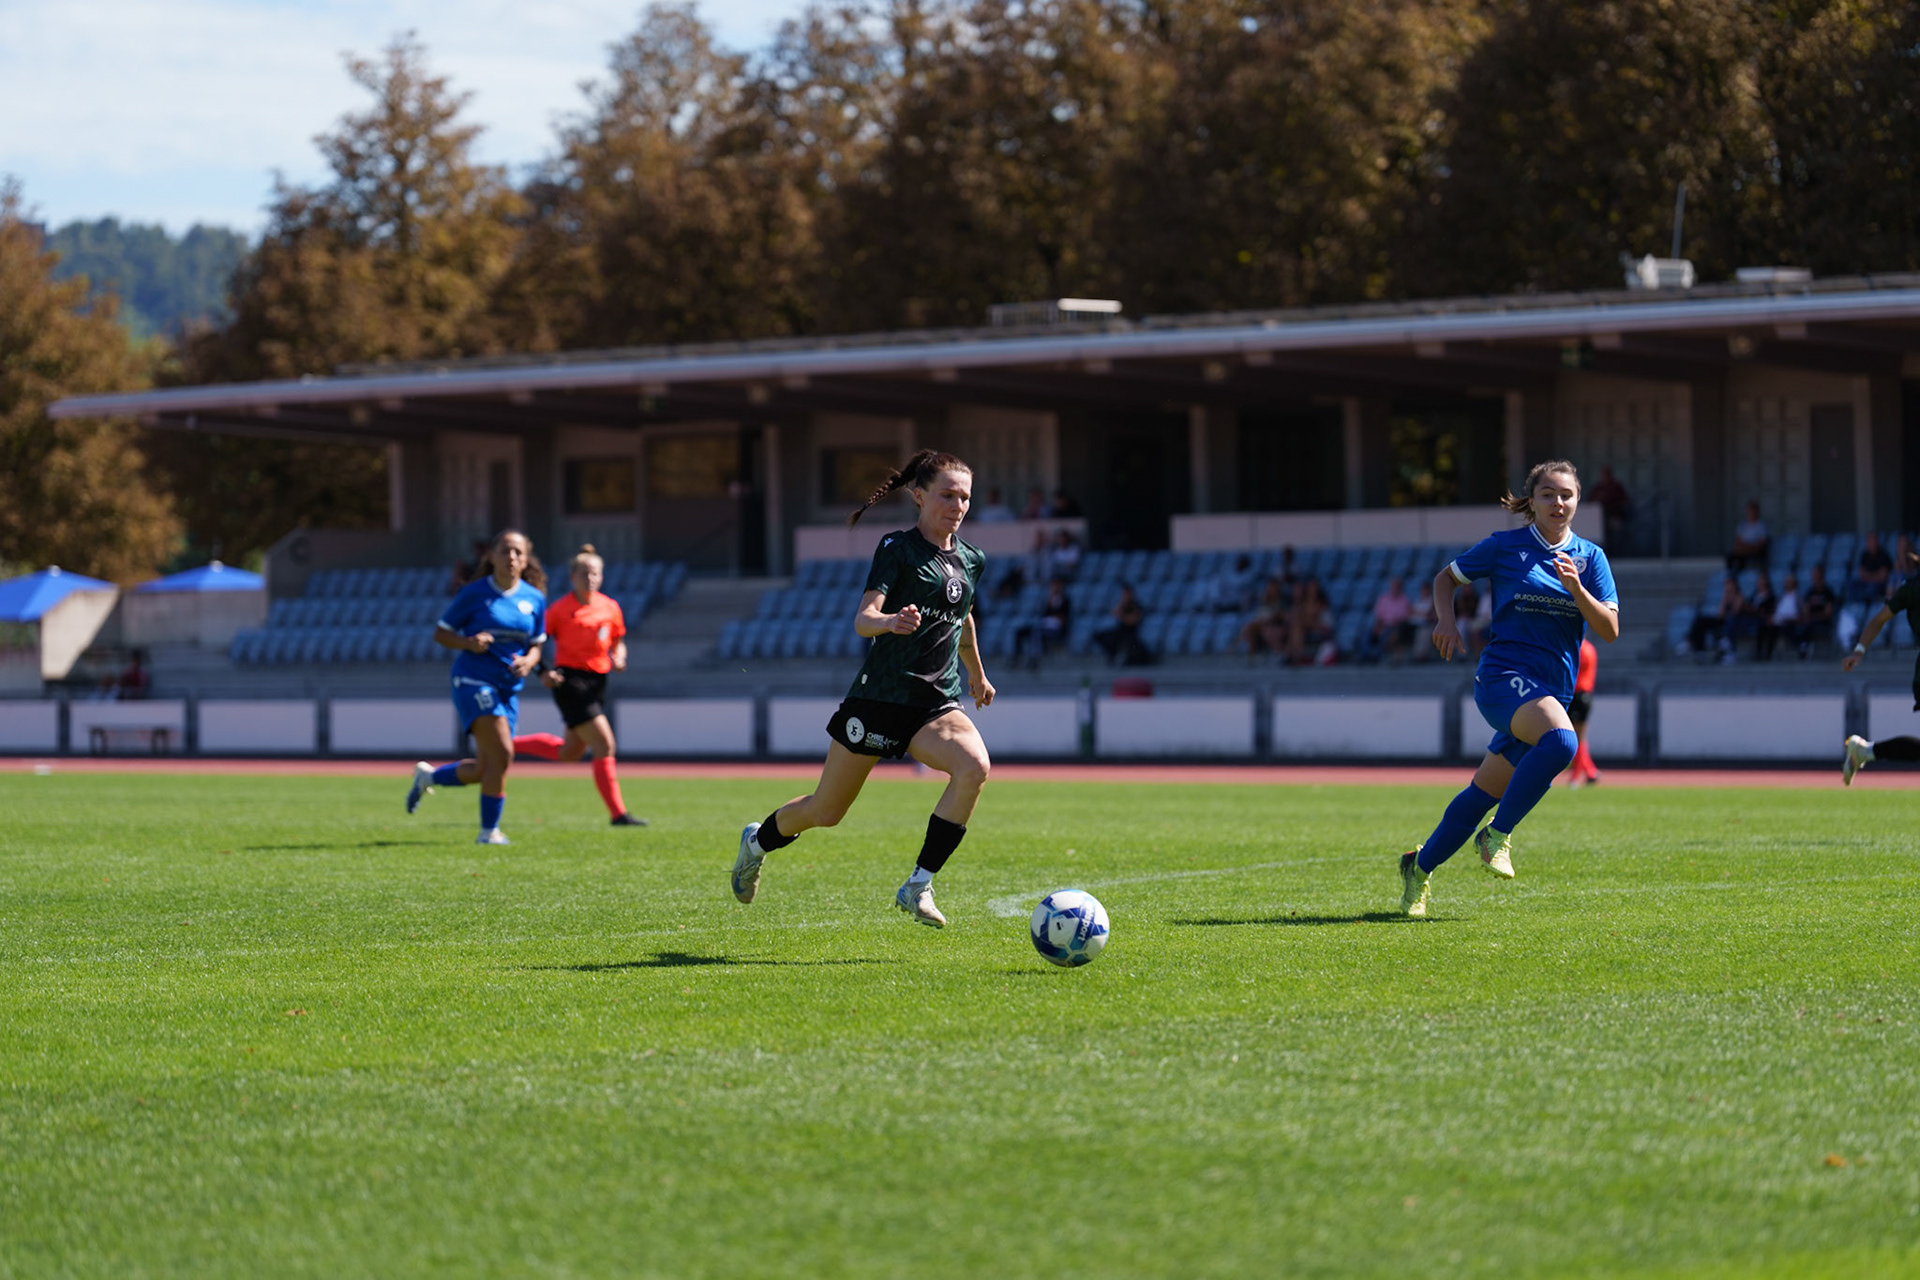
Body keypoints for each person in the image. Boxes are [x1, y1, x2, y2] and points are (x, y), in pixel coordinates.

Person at [730, 449, 994, 929]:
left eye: (965, 498)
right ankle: (756, 842)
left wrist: (976, 673)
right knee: (826, 811)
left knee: (974, 766)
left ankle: (918, 885)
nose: (957, 505)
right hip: (879, 700)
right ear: (919, 496)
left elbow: (964, 616)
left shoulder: (972, 559)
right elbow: (862, 620)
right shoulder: (897, 549)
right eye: (947, 495)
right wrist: (891, 621)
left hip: (935, 703)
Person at [1397, 460, 1619, 917]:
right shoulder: (1504, 547)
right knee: (1561, 742)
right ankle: (1497, 835)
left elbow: (1611, 629)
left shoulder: (1591, 559)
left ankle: (1418, 869)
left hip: (1549, 692)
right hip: (1501, 678)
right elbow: (1446, 579)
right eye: (1548, 494)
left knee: (1483, 792)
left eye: (1567, 495)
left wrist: (1577, 590)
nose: (1558, 503)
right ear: (1531, 502)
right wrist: (1446, 619)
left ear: (1578, 501)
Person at [405, 529, 548, 844]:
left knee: (486, 767)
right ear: (492, 556)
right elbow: (441, 634)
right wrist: (469, 643)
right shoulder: (473, 593)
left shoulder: (534, 598)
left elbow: (537, 644)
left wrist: (529, 660)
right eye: (506, 551)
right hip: (473, 680)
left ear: (526, 559)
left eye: (518, 553)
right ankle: (489, 832)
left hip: (508, 688)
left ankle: (428, 776)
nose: (511, 557)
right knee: (503, 753)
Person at [504, 544, 646, 827]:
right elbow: (533, 642)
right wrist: (542, 671)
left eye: (595, 573)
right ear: (572, 577)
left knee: (570, 753)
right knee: (605, 744)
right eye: (584, 573)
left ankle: (506, 744)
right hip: (569, 680)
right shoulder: (559, 610)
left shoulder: (610, 607)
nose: (590, 578)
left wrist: (619, 656)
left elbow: (617, 640)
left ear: (601, 577)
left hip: (597, 681)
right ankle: (618, 814)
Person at [1841, 552, 1920, 783]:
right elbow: (1878, 620)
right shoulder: (1913, 588)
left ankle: (1865, 751)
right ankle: (1865, 751)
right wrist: (1859, 651)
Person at [1564, 636, 1601, 787]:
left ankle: (1575, 775)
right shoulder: (1590, 648)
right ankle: (1591, 772)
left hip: (1578, 694)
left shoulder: (1579, 650)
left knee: (1576, 739)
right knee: (1579, 738)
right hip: (1585, 695)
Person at [1014, 577, 1072, 669]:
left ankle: (1035, 657)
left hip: (1056, 627)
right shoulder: (1049, 600)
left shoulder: (1065, 600)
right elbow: (1044, 614)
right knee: (1023, 631)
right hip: (1045, 624)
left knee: (1038, 632)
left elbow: (1064, 617)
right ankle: (1017, 658)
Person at [1094, 582, 1151, 666]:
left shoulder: (1136, 606)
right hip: (1120, 631)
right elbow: (1113, 613)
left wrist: (1122, 616)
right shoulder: (1123, 605)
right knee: (1101, 636)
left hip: (1130, 634)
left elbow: (1133, 620)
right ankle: (1112, 656)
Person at [1362, 577, 1414, 664]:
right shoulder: (1384, 598)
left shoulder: (1404, 600)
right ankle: (1365, 656)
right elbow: (1379, 615)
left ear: (1400, 587)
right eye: (1393, 586)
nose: (1394, 588)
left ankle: (1377, 656)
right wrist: (1379, 626)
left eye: (1396, 586)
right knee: (1368, 634)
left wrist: (1389, 626)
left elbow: (1403, 618)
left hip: (1395, 626)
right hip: (1382, 624)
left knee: (1386, 635)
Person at [1237, 576, 1290, 658]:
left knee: (1263, 630)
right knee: (1250, 629)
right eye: (1270, 587)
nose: (1271, 589)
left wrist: (1273, 618)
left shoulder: (1282, 603)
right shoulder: (1264, 603)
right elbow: (1260, 617)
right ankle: (1250, 656)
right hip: (1263, 625)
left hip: (1276, 626)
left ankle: (1281, 653)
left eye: (1274, 587)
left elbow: (1283, 617)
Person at [1762, 572, 1802, 661]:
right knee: (1765, 626)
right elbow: (1777, 611)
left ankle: (1801, 648)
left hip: (1791, 621)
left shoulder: (1798, 597)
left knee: (1785, 627)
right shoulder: (1782, 597)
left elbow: (1798, 613)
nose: (1787, 584)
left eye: (1789, 582)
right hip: (1779, 621)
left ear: (1794, 583)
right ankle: (1765, 654)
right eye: (1786, 582)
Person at [1592, 466, 1630, 551]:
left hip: (1614, 515)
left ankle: (1617, 551)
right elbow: (1591, 501)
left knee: (1615, 530)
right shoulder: (1598, 488)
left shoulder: (1616, 487)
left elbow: (1624, 501)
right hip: (1598, 518)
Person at [1803, 564, 1838, 655]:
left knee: (1808, 627)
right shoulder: (1810, 593)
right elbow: (1805, 610)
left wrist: (1814, 616)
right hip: (1810, 621)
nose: (1814, 577)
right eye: (1813, 574)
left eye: (1816, 574)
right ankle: (1803, 648)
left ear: (1822, 575)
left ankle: (1805, 649)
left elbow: (1827, 613)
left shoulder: (1828, 593)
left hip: (1823, 622)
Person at [1849, 531, 1893, 604]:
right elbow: (1862, 574)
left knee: (1872, 586)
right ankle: (1856, 606)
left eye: (1873, 541)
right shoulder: (1865, 555)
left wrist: (1869, 576)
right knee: (1853, 583)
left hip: (1880, 585)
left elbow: (1883, 576)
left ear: (1877, 542)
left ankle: (1869, 605)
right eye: (1869, 541)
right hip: (1867, 583)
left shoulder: (1884, 556)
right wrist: (1875, 575)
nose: (1871, 543)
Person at [1727, 500, 1769, 571]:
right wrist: (1744, 547)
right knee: (1731, 556)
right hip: (1743, 550)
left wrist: (1749, 547)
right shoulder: (1742, 525)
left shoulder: (1761, 525)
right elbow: (1738, 541)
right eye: (1749, 510)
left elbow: (1762, 543)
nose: (1750, 513)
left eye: (1752, 510)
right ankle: (1731, 576)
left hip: (1755, 551)